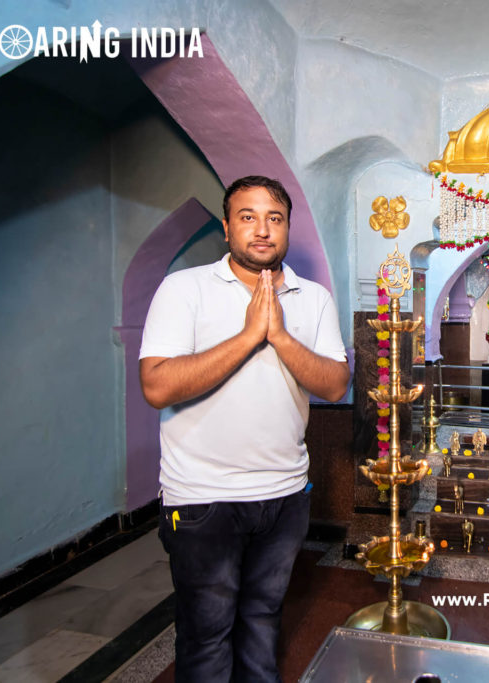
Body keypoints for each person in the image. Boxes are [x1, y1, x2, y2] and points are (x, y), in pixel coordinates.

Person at [139, 175, 349, 681]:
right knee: (206, 633)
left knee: (262, 622)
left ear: (287, 229)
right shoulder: (185, 288)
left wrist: (279, 335)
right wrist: (250, 334)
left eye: (273, 218)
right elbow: (158, 386)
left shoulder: (313, 297)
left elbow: (335, 384)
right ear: (228, 228)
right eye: (247, 217)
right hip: (201, 498)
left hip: (283, 494)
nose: (261, 229)